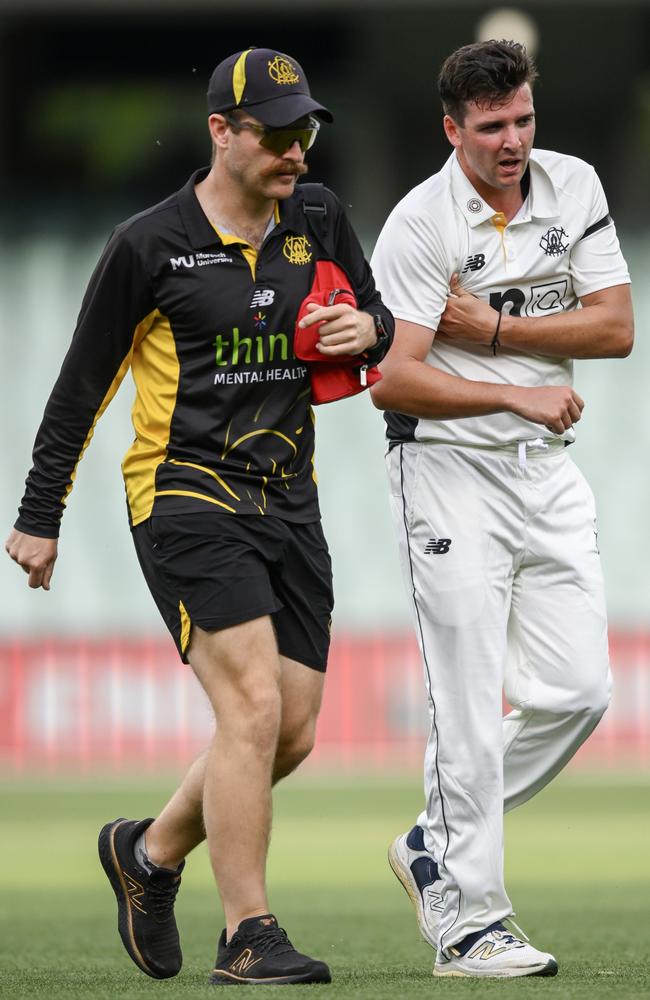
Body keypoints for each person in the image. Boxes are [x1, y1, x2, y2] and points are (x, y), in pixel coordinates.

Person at [5, 46, 392, 986]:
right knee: (251, 708)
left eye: (307, 130)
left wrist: (366, 332)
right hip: (182, 491)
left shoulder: (320, 216)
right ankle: (247, 934)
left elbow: (377, 316)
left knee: (288, 732)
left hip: (289, 496)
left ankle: (147, 854)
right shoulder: (148, 243)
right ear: (221, 132)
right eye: (278, 132)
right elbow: (81, 387)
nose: (298, 149)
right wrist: (39, 512)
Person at [370, 39, 633, 979]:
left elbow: (616, 327)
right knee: (471, 706)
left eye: (523, 119)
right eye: (492, 128)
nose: (514, 141)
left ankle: (432, 839)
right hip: (446, 471)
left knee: (580, 693)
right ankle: (471, 925)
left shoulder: (574, 186)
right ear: (454, 130)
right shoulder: (418, 224)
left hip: (544, 471)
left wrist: (492, 331)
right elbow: (394, 379)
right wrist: (513, 389)